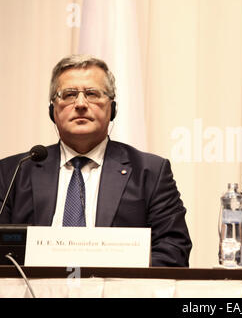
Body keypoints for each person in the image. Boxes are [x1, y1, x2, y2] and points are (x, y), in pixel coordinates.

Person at [0, 55, 192, 267]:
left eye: (92, 94)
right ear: (52, 111)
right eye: (69, 95)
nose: (81, 104)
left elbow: (173, 250)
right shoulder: (13, 172)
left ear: (113, 109)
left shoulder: (150, 172)